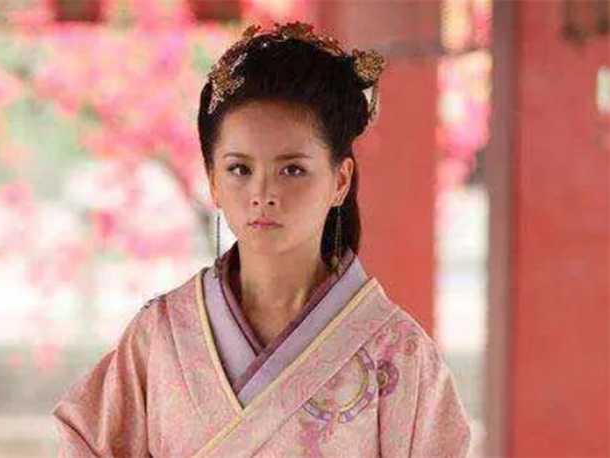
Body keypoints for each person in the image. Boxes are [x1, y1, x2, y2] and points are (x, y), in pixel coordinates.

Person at [52, 21, 472, 457]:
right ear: (213, 181)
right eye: (240, 169)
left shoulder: (397, 352)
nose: (263, 194)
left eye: (292, 169)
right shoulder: (162, 334)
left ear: (340, 180)